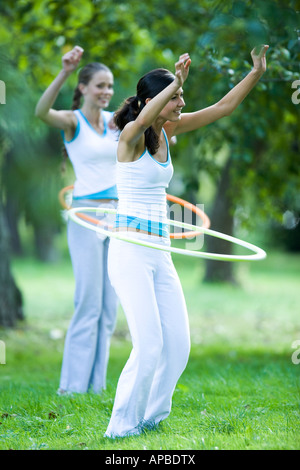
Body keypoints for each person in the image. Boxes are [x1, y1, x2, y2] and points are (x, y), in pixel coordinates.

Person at [104, 45, 269, 438]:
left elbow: (222, 108)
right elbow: (142, 118)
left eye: (180, 94)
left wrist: (256, 73)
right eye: (176, 96)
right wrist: (175, 80)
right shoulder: (130, 138)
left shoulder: (169, 131)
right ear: (152, 100)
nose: (182, 101)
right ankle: (119, 430)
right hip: (129, 251)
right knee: (149, 346)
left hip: (160, 254)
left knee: (178, 345)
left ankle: (152, 420)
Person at [35, 46, 119, 394]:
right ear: (84, 87)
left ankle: (95, 387)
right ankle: (71, 388)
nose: (106, 92)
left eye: (111, 86)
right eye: (100, 85)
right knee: (88, 303)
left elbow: (153, 128)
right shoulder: (73, 122)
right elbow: (41, 112)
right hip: (85, 217)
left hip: (117, 218)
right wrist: (65, 71)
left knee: (109, 309)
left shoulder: (118, 121)